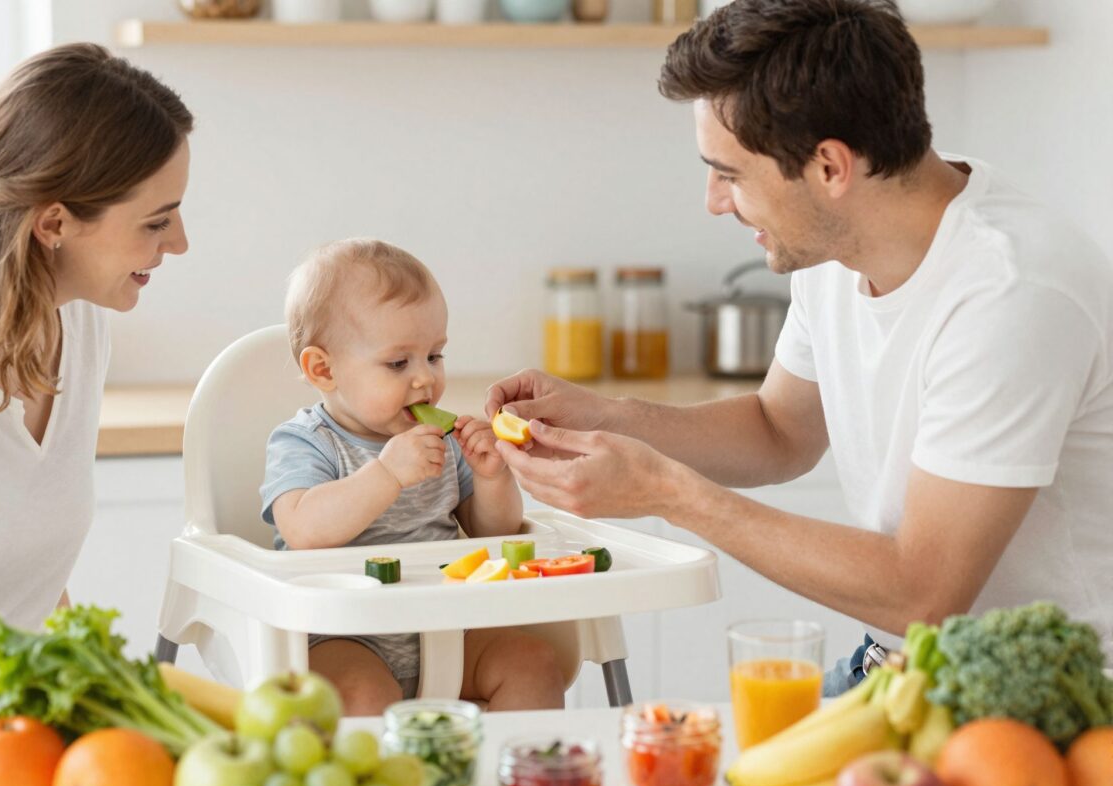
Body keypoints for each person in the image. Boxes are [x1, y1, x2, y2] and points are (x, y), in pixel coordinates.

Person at [486, 0, 1113, 695]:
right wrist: (602, 415)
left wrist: (666, 492)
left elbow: (924, 593)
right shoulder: (836, 248)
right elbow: (779, 431)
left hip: (1056, 704)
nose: (714, 202)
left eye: (730, 173)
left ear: (830, 167)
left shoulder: (1012, 292)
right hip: (903, 673)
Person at [0, 43, 193, 721]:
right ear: (55, 223)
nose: (180, 241)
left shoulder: (84, 328)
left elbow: (20, 582)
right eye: (156, 220)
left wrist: (91, 688)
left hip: (16, 736)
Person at [260, 238, 566, 715]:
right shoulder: (306, 441)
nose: (424, 379)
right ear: (324, 369)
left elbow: (494, 532)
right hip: (343, 636)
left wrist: (491, 478)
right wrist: (386, 474)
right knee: (360, 696)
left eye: (435, 356)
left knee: (536, 666)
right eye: (399, 363)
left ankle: (501, 782)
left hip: (448, 625)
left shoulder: (440, 439)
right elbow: (301, 530)